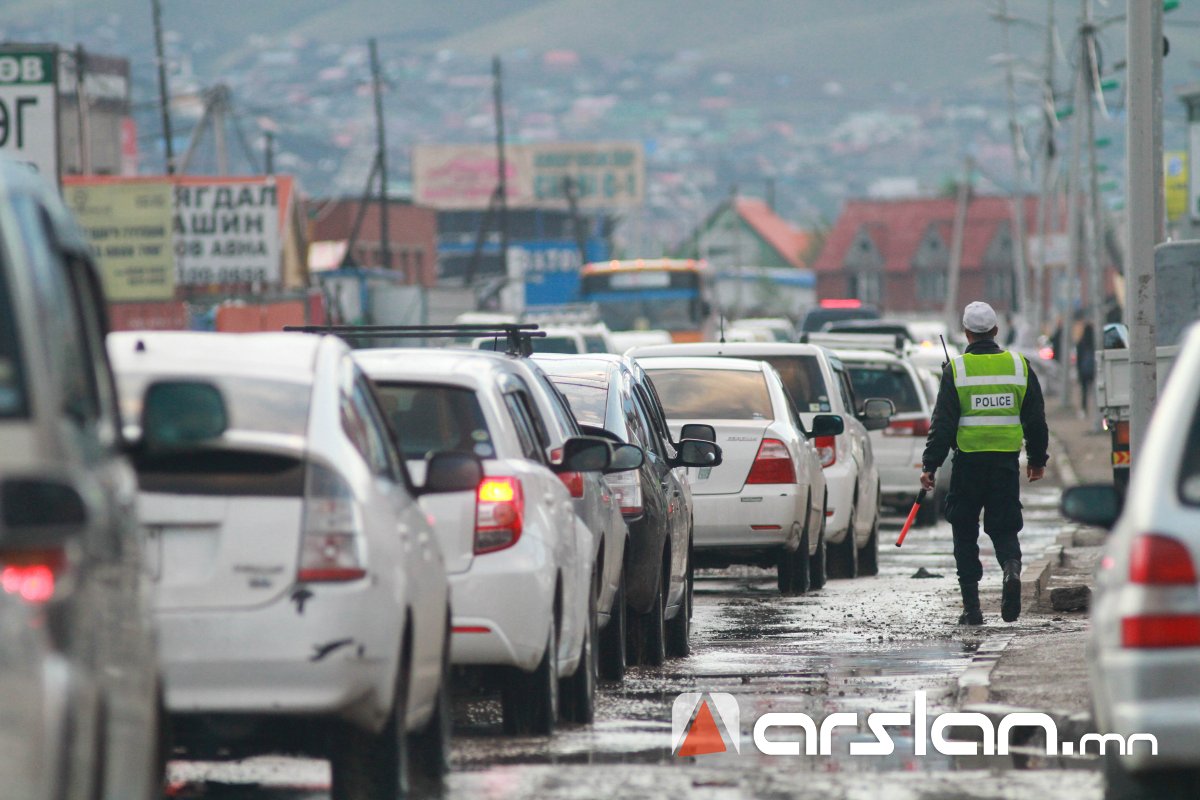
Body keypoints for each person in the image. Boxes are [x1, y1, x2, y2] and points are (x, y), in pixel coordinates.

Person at [920, 301, 1049, 625]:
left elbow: (943, 424)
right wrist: (1036, 460)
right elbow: (1035, 419)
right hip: (1005, 465)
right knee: (1005, 528)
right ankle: (1010, 569)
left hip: (968, 467)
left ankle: (973, 609)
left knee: (964, 532)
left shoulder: (957, 370)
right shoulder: (1019, 366)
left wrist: (930, 466)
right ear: (995, 330)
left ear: (966, 333)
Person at [1076, 321, 1096, 415]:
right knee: (1094, 390)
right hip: (1093, 370)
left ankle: (1084, 409)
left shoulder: (1081, 343)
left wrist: (1078, 371)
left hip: (1083, 371)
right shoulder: (1095, 343)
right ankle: (1095, 410)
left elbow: (1078, 358)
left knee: (1084, 391)